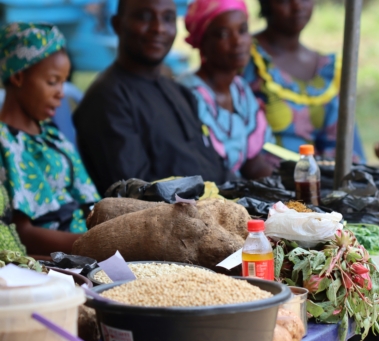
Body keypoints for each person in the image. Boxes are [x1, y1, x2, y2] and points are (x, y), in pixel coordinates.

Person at [73, 0, 232, 195]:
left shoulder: (180, 92)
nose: (159, 28)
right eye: (145, 17)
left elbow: (215, 169)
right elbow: (137, 194)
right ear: (117, 24)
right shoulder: (108, 99)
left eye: (168, 18)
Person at [0, 23, 100, 256]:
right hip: (58, 260)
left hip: (91, 243)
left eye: (64, 81)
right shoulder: (5, 144)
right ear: (18, 76)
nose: (61, 93)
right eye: (52, 81)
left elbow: (89, 203)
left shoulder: (50, 134)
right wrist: (94, 244)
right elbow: (22, 234)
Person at [243, 0, 366, 163]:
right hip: (262, 181)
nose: (297, 6)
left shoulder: (327, 69)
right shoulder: (242, 57)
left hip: (315, 180)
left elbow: (343, 144)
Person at [180, 0, 274, 179]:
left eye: (243, 30)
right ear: (202, 41)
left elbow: (253, 163)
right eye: (223, 34)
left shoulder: (240, 91)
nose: (237, 41)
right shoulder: (187, 95)